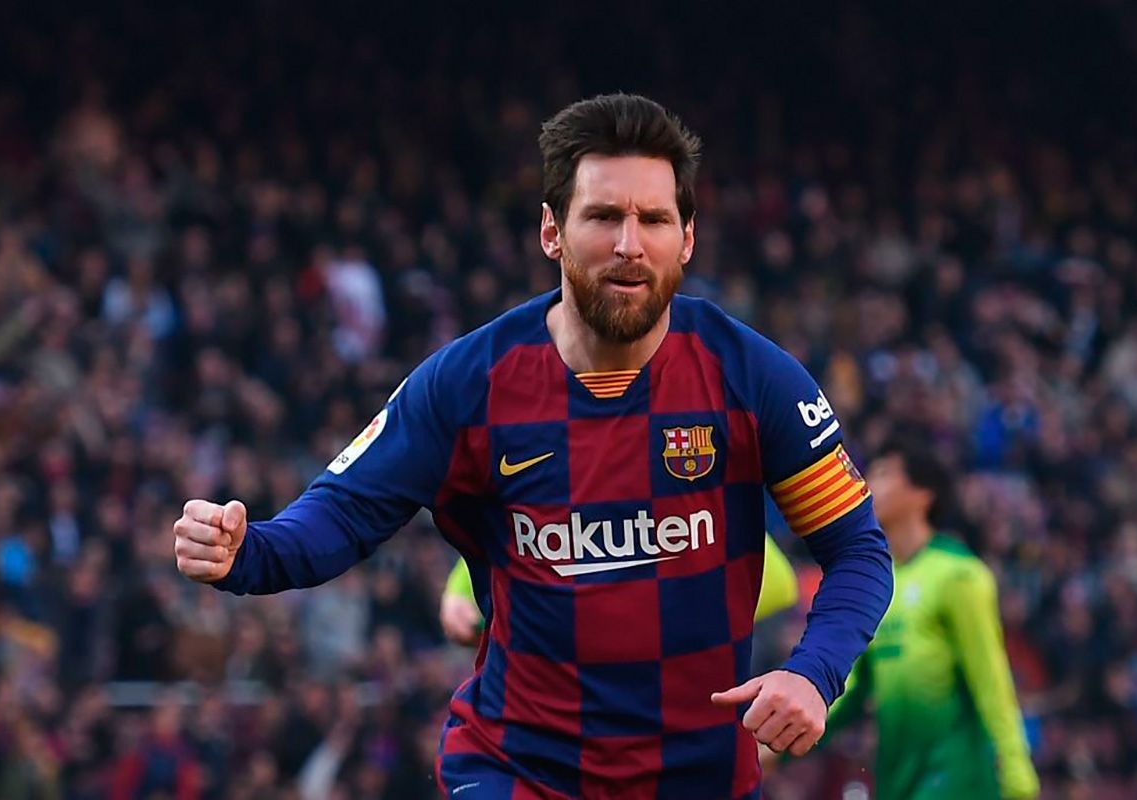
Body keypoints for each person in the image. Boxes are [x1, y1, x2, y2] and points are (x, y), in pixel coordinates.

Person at [173, 93, 893, 799]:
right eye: (604, 216)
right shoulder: (468, 385)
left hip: (701, 779)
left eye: (654, 219)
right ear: (552, 230)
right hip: (520, 774)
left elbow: (858, 550)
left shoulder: (749, 376)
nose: (629, 245)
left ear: (689, 237)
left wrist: (813, 672)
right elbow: (342, 516)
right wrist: (248, 552)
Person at [819, 438, 1039, 799]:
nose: (867, 483)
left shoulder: (958, 574)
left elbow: (991, 679)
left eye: (885, 473)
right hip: (895, 774)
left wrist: (1017, 769)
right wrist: (788, 736)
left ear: (923, 494)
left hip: (954, 775)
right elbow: (854, 686)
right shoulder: (874, 582)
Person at [441, 506, 801, 647]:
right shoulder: (553, 450)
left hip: (674, 715)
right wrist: (459, 591)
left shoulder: (684, 490)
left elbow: (780, 583)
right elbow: (523, 526)